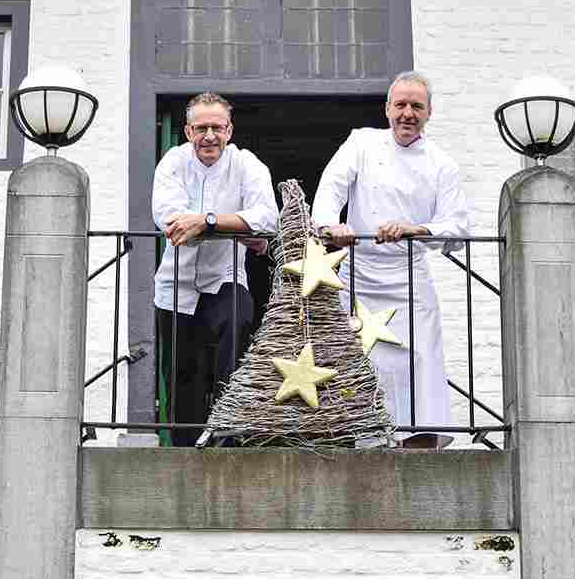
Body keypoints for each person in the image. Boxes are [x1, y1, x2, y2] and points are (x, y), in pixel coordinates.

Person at [312, 71, 471, 448]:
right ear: (387, 109)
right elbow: (331, 186)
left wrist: (415, 228)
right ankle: (366, 442)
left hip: (410, 279)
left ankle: (418, 446)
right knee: (363, 359)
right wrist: (331, 225)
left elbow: (458, 227)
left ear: (430, 112)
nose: (407, 113)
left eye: (417, 106)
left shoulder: (442, 164)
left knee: (419, 362)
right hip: (358, 274)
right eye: (400, 104)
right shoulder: (361, 143)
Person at [152, 92, 279, 447]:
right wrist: (238, 227)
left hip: (227, 277)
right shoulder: (173, 163)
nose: (210, 135)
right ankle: (184, 449)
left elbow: (267, 217)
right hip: (175, 285)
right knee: (181, 373)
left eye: (217, 127)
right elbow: (170, 220)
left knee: (237, 333)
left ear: (230, 130)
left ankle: (228, 432)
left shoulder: (247, 164)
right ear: (188, 131)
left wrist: (206, 222)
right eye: (202, 128)